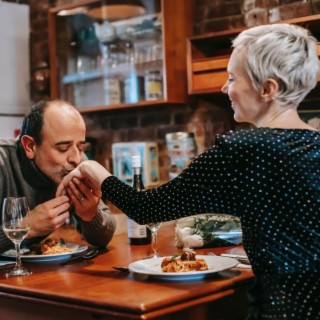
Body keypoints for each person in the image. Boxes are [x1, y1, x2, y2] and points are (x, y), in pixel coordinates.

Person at [57, 24, 320, 320]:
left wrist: (93, 168)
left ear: (268, 88)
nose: (225, 88)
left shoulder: (243, 150)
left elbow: (147, 209)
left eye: (232, 78)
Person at [0, 99, 116, 252]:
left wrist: (91, 215)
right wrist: (26, 226)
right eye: (62, 148)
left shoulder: (78, 163)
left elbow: (104, 238)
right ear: (30, 146)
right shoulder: (3, 164)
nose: (75, 158)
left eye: (81, 147)